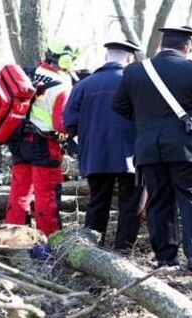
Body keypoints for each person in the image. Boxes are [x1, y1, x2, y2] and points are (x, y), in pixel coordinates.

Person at [112, 26, 192, 271]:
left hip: (149, 148)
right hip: (188, 148)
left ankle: (165, 258)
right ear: (188, 47)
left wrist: (145, 121)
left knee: (159, 202)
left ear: (162, 45)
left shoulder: (134, 72)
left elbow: (118, 105)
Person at [63, 40, 143, 250]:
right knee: (130, 203)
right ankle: (124, 249)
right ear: (129, 59)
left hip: (95, 155)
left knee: (97, 202)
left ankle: (91, 248)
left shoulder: (83, 85)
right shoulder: (136, 83)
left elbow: (69, 122)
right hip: (132, 154)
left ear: (107, 56)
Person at [5, 41, 79, 237]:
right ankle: (50, 239)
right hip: (44, 144)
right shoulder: (61, 85)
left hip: (19, 140)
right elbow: (60, 124)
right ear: (65, 60)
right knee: (46, 194)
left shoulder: (29, 74)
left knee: (20, 191)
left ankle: (14, 236)